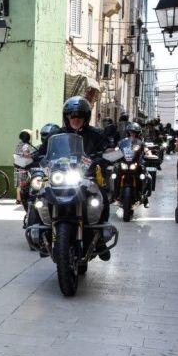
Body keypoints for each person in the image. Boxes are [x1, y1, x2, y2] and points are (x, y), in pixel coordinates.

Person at [62, 96, 113, 258]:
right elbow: (44, 150)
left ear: (86, 118)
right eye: (72, 116)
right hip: (62, 177)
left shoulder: (96, 134)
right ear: (67, 117)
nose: (75, 119)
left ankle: (100, 237)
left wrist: (107, 154)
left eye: (80, 116)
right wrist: (32, 156)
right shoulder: (59, 134)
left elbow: (107, 148)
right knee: (41, 194)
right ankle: (43, 231)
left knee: (102, 196)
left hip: (88, 176)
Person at [14, 129, 34, 204]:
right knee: (23, 183)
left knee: (18, 183)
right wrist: (31, 155)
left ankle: (18, 199)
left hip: (17, 164)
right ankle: (22, 199)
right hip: (23, 165)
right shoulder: (25, 145)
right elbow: (26, 154)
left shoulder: (19, 144)